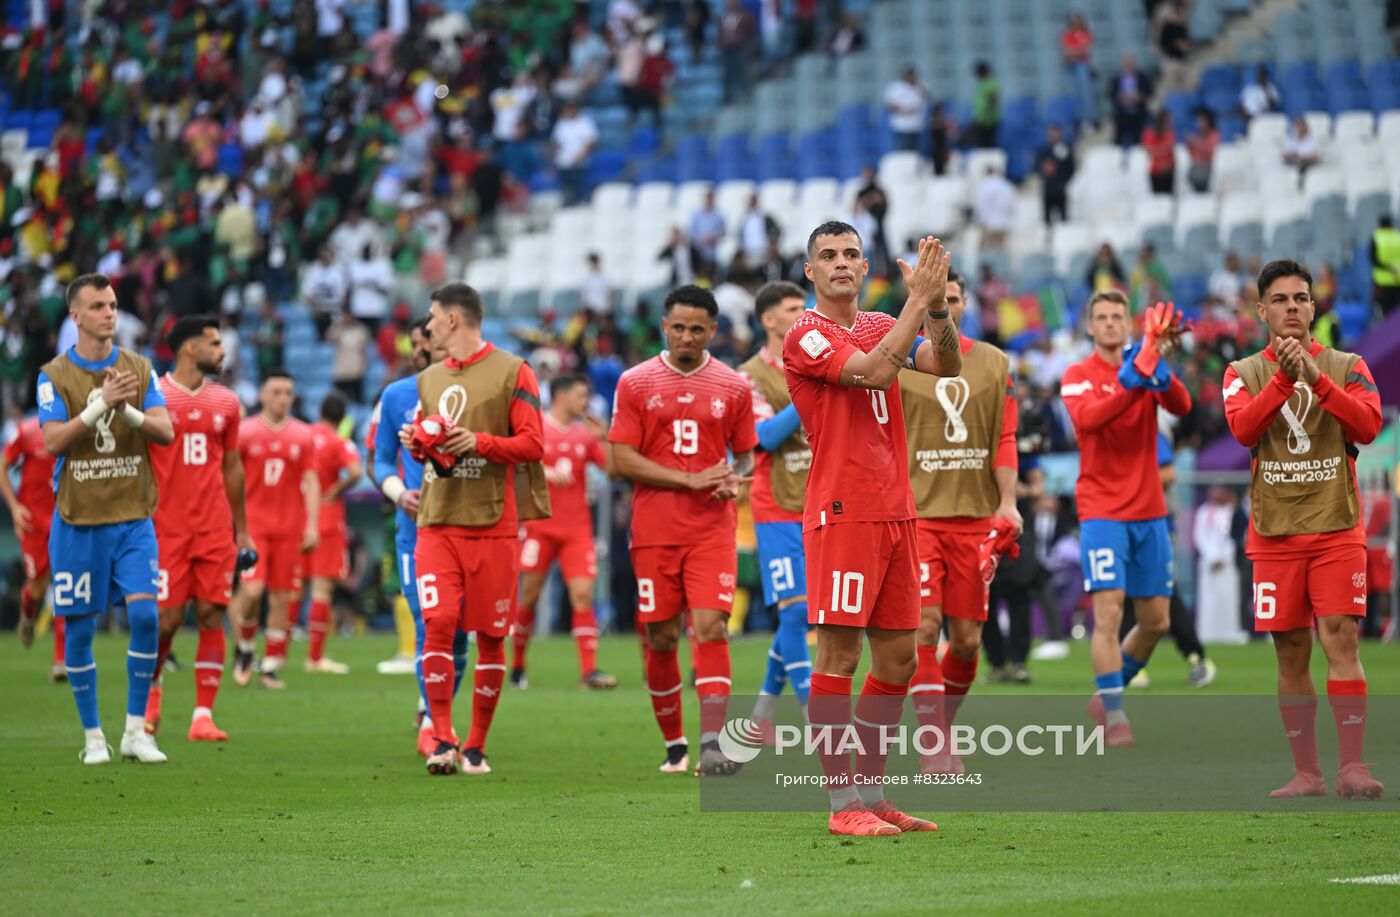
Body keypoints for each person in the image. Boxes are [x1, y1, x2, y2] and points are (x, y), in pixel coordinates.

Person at [783, 224, 962, 836]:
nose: (840, 263)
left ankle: (873, 794)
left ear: (864, 268)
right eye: (827, 256)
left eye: (851, 255)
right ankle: (841, 807)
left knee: (899, 658)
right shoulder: (804, 333)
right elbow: (872, 374)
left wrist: (937, 305)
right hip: (843, 511)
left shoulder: (883, 319)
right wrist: (919, 302)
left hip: (897, 510)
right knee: (839, 652)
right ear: (810, 271)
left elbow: (945, 364)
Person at [1223, 258, 1383, 799]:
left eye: (1302, 298)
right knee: (1290, 651)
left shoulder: (1347, 363)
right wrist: (1286, 380)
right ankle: (1308, 773)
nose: (1293, 307)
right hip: (1274, 535)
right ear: (1261, 310)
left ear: (1314, 307)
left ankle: (1353, 768)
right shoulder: (1241, 373)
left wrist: (1316, 379)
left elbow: (1368, 424)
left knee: (1341, 639)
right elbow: (1244, 431)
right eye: (1282, 299)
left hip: (1337, 529)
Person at [609, 284, 757, 776]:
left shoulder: (734, 386)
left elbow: (745, 457)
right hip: (653, 529)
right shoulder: (635, 382)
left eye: (697, 329)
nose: (687, 336)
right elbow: (621, 457)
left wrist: (733, 482)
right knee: (661, 636)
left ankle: (713, 744)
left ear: (713, 331)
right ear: (664, 327)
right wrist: (689, 479)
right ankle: (675, 744)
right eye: (679, 327)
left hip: (712, 529)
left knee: (712, 626)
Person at [404, 282, 549, 776]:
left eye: (431, 316)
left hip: (492, 525)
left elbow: (532, 443)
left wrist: (480, 442)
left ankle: (477, 745)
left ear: (452, 319)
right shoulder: (428, 379)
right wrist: (419, 443)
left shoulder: (513, 370)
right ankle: (442, 738)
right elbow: (436, 447)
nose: (426, 326)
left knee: (491, 636)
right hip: (437, 523)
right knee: (439, 625)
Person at [37, 273, 175, 764]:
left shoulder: (139, 367)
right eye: (97, 306)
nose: (109, 314)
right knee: (79, 628)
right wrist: (100, 406)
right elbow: (52, 441)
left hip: (133, 516)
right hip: (77, 519)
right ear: (76, 316)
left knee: (144, 616)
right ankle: (93, 736)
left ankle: (136, 731)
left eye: (113, 305)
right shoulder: (53, 375)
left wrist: (129, 410)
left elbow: (165, 431)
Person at [900, 268, 1020, 771]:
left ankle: (941, 727)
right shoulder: (900, 362)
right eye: (935, 298)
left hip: (975, 520)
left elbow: (1005, 438)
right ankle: (934, 743)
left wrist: (1008, 503)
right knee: (925, 628)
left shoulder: (994, 362)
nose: (943, 305)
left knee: (968, 640)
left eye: (951, 298)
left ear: (965, 303)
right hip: (919, 515)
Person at [1060, 290, 1191, 747]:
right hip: (1102, 511)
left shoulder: (1145, 361)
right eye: (1103, 317)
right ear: (1091, 327)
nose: (1112, 323)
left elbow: (1182, 405)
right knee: (1109, 612)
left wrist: (1155, 363)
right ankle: (1116, 715)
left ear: (1128, 324)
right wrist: (1136, 373)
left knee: (1156, 621)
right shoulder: (1077, 375)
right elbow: (1092, 418)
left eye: (1119, 315)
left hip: (1150, 510)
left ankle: (1107, 692)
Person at [144, 315, 252, 742]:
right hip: (165, 530)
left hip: (213, 530)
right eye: (214, 343)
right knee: (166, 620)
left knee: (211, 614)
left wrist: (241, 529)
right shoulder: (153, 396)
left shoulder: (227, 402)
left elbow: (232, 468)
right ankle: (150, 700)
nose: (222, 351)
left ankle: (202, 716)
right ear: (190, 348)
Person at [370, 317, 467, 757]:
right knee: (431, 623)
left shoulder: (477, 390)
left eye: (423, 340)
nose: (418, 349)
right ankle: (433, 720)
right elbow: (380, 460)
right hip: (418, 530)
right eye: (413, 343)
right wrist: (398, 491)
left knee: (461, 634)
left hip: (470, 529)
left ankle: (433, 704)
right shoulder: (396, 396)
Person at [738, 282, 813, 734]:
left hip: (822, 502)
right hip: (777, 507)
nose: (803, 313)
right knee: (795, 612)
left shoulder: (816, 360)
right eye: (792, 308)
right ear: (769, 319)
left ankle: (762, 717)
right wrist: (812, 393)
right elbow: (762, 437)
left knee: (806, 614)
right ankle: (812, 713)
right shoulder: (748, 375)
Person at [512, 373, 617, 690]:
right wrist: (543, 471)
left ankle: (589, 672)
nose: (586, 402)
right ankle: (517, 667)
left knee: (583, 597)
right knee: (528, 599)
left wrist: (604, 439)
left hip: (576, 530)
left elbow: (613, 469)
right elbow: (515, 466)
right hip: (538, 527)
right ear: (561, 396)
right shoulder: (535, 429)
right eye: (581, 395)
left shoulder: (586, 435)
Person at [228, 371, 320, 690]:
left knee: (283, 596)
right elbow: (230, 475)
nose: (283, 398)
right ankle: (245, 648)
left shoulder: (303, 435)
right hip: (255, 525)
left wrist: (311, 523)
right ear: (263, 396)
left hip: (289, 525)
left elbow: (310, 480)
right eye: (277, 392)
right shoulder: (245, 432)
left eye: (288, 392)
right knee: (253, 591)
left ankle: (269, 666)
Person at [304, 391, 362, 675]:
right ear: (341, 419)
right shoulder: (338, 441)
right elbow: (356, 470)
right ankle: (315, 658)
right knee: (321, 589)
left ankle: (272, 656)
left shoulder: (304, 434)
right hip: (326, 518)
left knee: (289, 590)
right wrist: (337, 489)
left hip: (300, 515)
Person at [0, 409, 61, 678]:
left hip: (66, 519)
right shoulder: (27, 430)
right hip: (33, 523)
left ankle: (61, 659)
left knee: (66, 586)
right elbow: (2, 465)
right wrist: (14, 508)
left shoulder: (77, 425)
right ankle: (27, 614)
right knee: (36, 587)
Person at [1061, 11, 1097, 128]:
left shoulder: (1086, 33)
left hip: (1082, 65)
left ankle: (1088, 120)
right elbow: (1066, 52)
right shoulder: (1067, 34)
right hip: (1070, 67)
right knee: (1073, 95)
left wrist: (1073, 51)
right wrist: (1078, 51)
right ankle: (1077, 121)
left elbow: (1087, 51)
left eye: (1078, 19)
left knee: (1086, 94)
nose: (1076, 22)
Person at [1110, 53, 1153, 148]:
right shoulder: (1117, 79)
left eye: (1131, 62)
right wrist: (1122, 97)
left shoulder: (1143, 78)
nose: (1129, 65)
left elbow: (1149, 93)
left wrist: (1139, 96)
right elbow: (1112, 95)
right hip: (1123, 114)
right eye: (1127, 63)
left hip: (1139, 112)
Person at [1037, 123, 1075, 225]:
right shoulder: (1044, 150)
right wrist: (1044, 171)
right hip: (1048, 187)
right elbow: (1038, 167)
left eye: (1055, 132)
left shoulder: (1065, 149)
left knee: (1063, 218)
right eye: (1051, 133)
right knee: (1047, 219)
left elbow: (1070, 168)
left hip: (1060, 188)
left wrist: (1064, 182)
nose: (1053, 135)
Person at [884, 67, 928, 153]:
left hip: (917, 126)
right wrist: (906, 111)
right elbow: (891, 105)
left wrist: (920, 89)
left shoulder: (920, 87)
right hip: (902, 127)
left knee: (916, 154)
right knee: (903, 153)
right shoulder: (896, 87)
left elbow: (927, 99)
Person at [1371, 215, 1400, 316]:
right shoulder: (1398, 236)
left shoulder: (1377, 236)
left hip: (1382, 281)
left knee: (1384, 313)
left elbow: (1373, 259)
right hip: (1397, 280)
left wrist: (1388, 267)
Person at [1143, 109, 1176, 196]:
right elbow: (1150, 150)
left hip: (1168, 170)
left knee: (1168, 196)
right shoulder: (1150, 132)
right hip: (1156, 171)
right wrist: (1162, 150)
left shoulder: (1170, 133)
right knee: (1157, 198)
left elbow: (1169, 147)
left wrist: (1158, 150)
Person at [1186, 109, 1219, 193]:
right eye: (1198, 120)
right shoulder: (1198, 134)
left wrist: (1196, 142)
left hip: (1206, 167)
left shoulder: (1214, 134)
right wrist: (1189, 145)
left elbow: (1209, 150)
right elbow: (1193, 155)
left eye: (1202, 120)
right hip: (1196, 166)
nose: (1200, 123)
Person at [969, 61, 1000, 149]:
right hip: (982, 120)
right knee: (982, 145)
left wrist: (985, 115)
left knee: (987, 145)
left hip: (988, 121)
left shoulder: (990, 83)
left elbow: (993, 101)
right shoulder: (983, 83)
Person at [1282, 116, 1320, 187]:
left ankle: (1300, 184)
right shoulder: (1291, 139)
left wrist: (1304, 158)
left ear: (1306, 127)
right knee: (1296, 161)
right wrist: (1292, 157)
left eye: (1301, 126)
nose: (1299, 128)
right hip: (1294, 160)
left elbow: (1316, 156)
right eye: (1297, 126)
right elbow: (1285, 154)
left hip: (1307, 161)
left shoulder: (1313, 139)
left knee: (1303, 163)